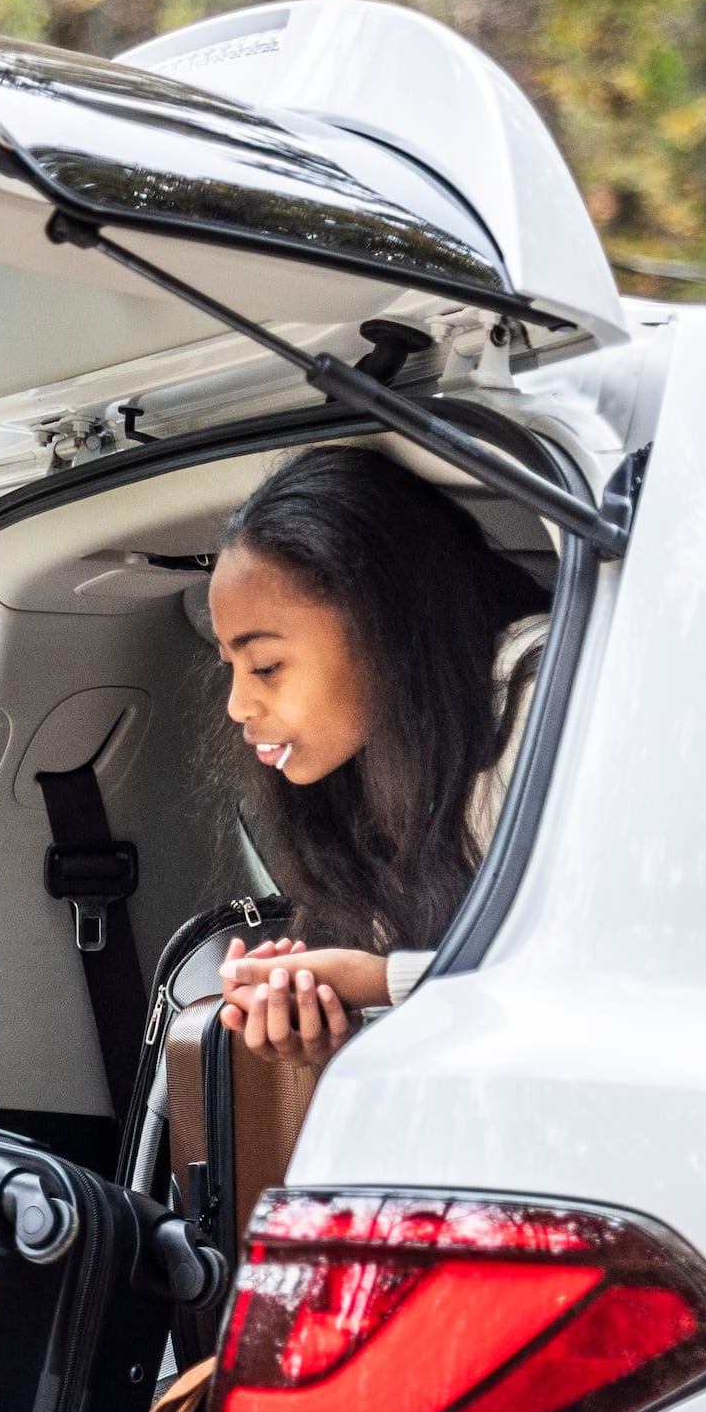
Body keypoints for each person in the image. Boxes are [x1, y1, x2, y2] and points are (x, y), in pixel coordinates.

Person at [204, 446, 552, 1069]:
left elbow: (592, 976)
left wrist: (381, 983)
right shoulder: (372, 763)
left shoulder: (540, 690)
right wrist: (336, 1028)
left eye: (267, 666)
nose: (237, 705)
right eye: (232, 668)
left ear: (381, 620)